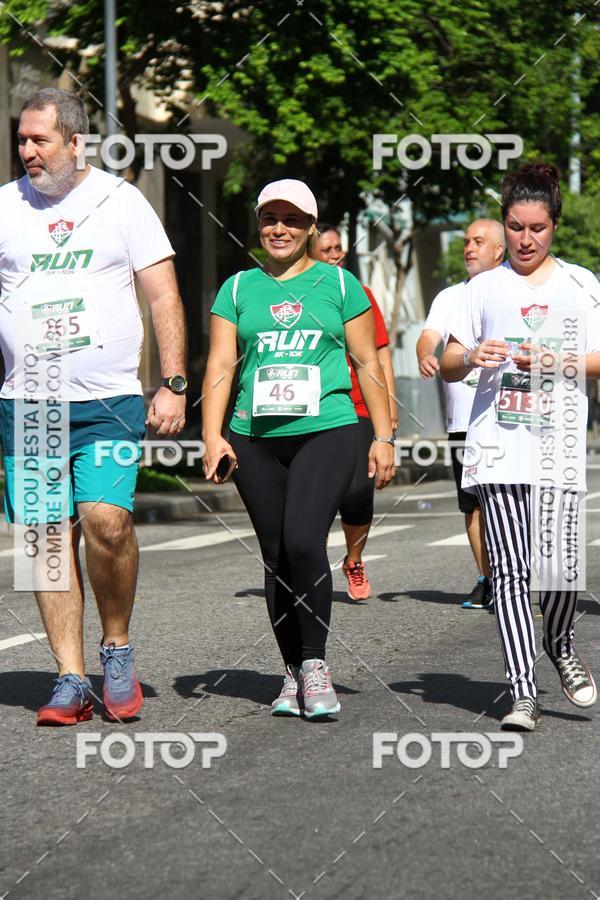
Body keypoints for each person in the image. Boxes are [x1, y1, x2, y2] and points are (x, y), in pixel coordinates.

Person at [0, 88, 187, 725]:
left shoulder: (120, 201)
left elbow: (162, 295)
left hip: (105, 400)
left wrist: (174, 382)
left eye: (38, 140)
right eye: (20, 140)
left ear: (75, 143)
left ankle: (116, 648)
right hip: (27, 403)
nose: (26, 151)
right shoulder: (4, 208)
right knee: (46, 542)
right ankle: (70, 677)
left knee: (107, 524)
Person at [202, 179, 395, 719]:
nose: (279, 229)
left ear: (312, 227)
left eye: (291, 219)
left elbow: (367, 364)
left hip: (327, 430)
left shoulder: (339, 283)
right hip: (254, 438)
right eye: (270, 219)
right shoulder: (238, 289)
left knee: (304, 540)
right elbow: (220, 366)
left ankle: (315, 663)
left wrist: (382, 437)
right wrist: (212, 434)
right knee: (275, 555)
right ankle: (290, 674)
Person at [440, 162, 600, 731]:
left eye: (537, 228)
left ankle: (559, 643)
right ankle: (522, 691)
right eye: (515, 227)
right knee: (509, 573)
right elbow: (448, 361)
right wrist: (471, 355)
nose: (525, 240)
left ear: (554, 225)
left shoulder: (582, 284)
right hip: (498, 448)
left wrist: (555, 361)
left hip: (558, 450)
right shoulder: (481, 289)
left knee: (556, 574)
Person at [417, 220, 505, 609]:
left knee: (511, 502)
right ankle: (488, 579)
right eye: (467, 241)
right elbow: (430, 335)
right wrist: (424, 352)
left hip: (507, 419)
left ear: (500, 250)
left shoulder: (512, 292)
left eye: (479, 242)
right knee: (472, 504)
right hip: (463, 422)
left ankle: (515, 577)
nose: (468, 248)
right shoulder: (451, 296)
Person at [310, 224, 397, 601]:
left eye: (339, 248)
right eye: (327, 249)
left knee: (359, 489)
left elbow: (379, 354)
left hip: (359, 405)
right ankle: (308, 561)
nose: (336, 254)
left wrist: (390, 405)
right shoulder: (298, 295)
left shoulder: (359, 293)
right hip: (312, 408)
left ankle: (354, 559)